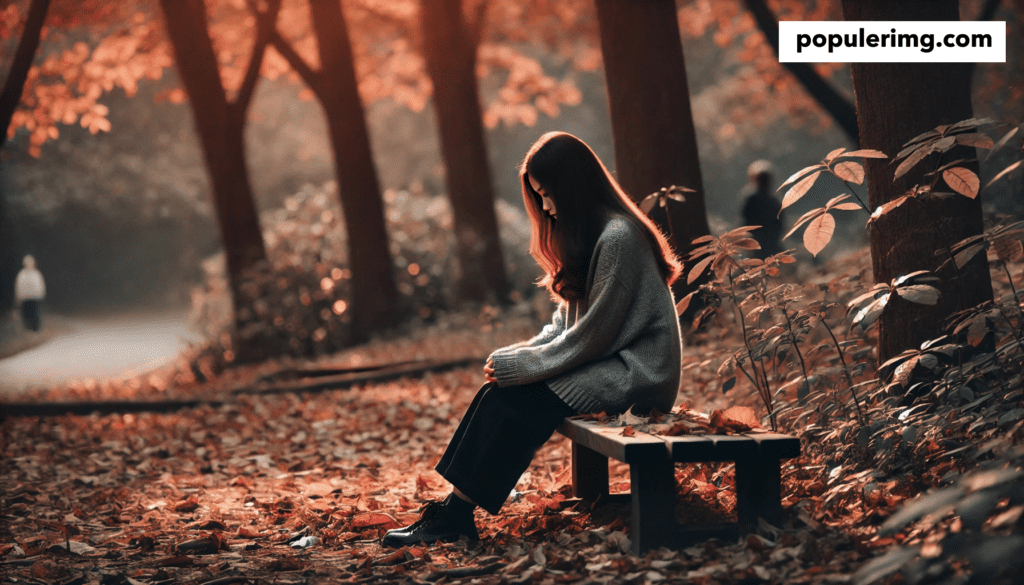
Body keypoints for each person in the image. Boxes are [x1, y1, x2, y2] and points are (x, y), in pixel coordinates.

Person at [382, 132, 684, 547]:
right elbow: (565, 324)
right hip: (607, 363)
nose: (544, 205)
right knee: (497, 395)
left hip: (637, 373)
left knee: (515, 404)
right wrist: (520, 353)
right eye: (538, 195)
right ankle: (453, 512)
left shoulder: (619, 238)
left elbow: (592, 336)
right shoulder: (594, 235)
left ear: (573, 188)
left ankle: (455, 517)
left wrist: (527, 366)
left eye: (548, 193)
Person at [740, 160, 783, 259]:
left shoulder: (750, 198)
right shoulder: (774, 200)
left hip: (758, 242)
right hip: (770, 242)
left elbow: (745, 222)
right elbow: (780, 222)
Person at [14, 254, 46, 332]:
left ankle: (36, 331)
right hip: (25, 299)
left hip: (35, 298)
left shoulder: (36, 274)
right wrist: (18, 297)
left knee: (35, 315)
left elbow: (41, 285)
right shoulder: (21, 274)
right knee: (26, 315)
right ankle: (28, 331)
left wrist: (41, 294)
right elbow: (18, 286)